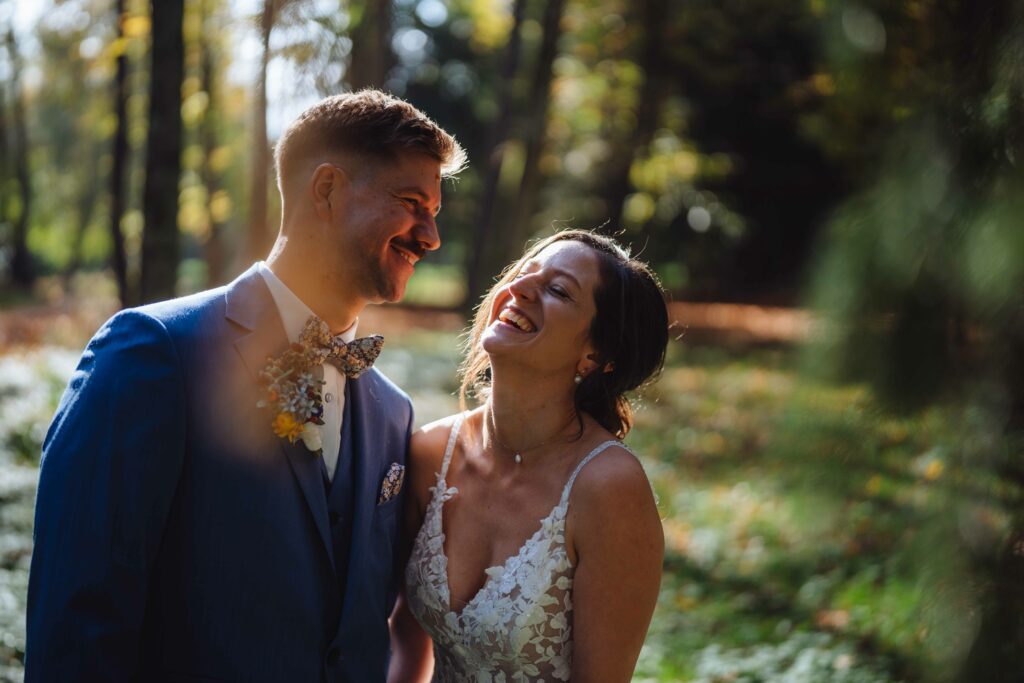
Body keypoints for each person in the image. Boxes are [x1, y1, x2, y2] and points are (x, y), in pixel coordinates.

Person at [25, 90, 465, 681]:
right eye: (412, 202)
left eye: (434, 211)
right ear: (327, 189)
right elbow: (78, 617)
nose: (431, 235)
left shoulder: (392, 411)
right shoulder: (155, 352)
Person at [389, 230, 668, 681]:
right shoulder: (429, 454)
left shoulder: (609, 489)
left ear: (595, 355)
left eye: (558, 290)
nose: (518, 289)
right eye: (522, 274)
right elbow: (407, 648)